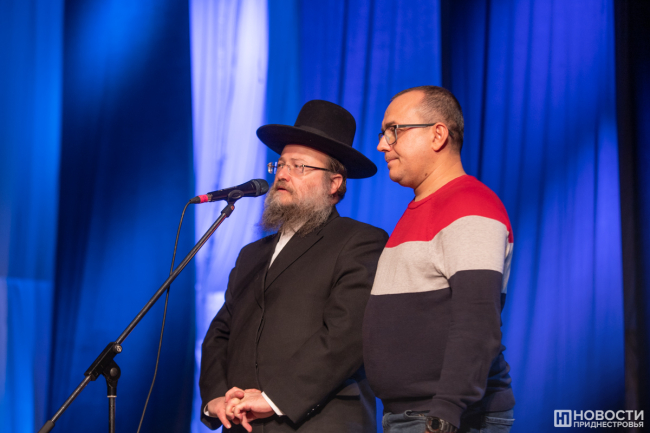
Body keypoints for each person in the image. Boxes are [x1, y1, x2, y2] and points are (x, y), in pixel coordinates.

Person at [199, 100, 388, 432]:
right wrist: (215, 396)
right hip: (244, 423)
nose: (282, 174)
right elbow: (220, 333)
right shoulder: (251, 255)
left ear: (334, 183)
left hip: (319, 423)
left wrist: (274, 398)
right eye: (280, 164)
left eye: (299, 166)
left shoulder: (359, 241)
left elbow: (346, 336)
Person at [362, 86, 515, 433]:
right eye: (383, 133)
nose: (382, 145)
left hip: (442, 419)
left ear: (438, 135)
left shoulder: (469, 206)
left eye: (394, 130)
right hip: (412, 415)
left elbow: (478, 323)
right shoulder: (420, 210)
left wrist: (446, 412)